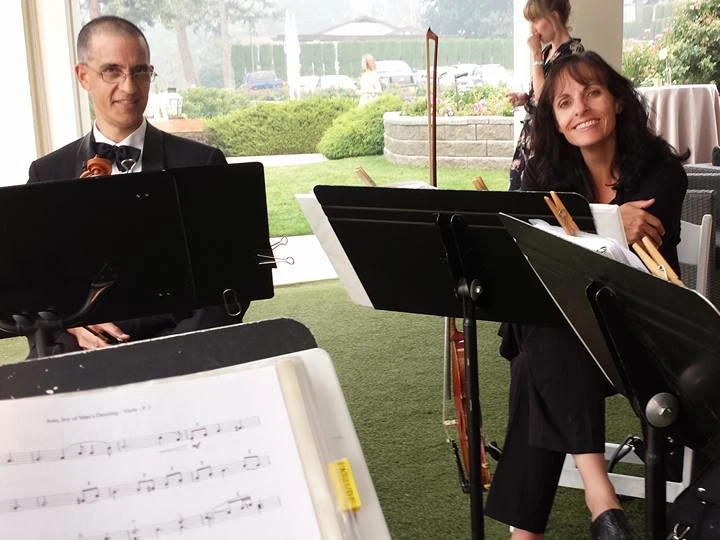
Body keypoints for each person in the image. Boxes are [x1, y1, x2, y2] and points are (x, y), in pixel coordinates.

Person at [485, 51, 688, 539]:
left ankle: (531, 531)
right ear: (554, 120)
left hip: (637, 336)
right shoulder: (545, 178)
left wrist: (574, 228)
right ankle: (603, 504)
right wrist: (613, 220)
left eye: (592, 92)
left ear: (617, 101)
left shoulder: (661, 172)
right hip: (569, 336)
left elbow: (604, 258)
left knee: (537, 352)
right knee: (548, 328)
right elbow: (534, 240)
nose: (581, 108)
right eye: (564, 102)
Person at [26, 15, 240, 358]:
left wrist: (171, 351)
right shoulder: (46, 173)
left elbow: (229, 288)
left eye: (140, 71)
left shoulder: (202, 164)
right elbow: (31, 289)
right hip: (77, 350)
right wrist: (65, 324)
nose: (130, 87)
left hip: (181, 347)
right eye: (112, 71)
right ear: (83, 76)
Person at [507, 0, 584, 191]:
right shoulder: (547, 52)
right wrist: (525, 98)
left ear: (555, 17)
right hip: (531, 135)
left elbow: (547, 100)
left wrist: (535, 56)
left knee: (537, 199)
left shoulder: (573, 53)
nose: (533, 29)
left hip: (550, 139)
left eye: (536, 21)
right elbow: (538, 94)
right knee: (518, 196)